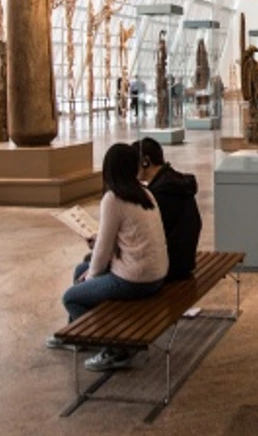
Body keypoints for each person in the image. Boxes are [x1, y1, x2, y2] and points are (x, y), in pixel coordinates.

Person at [50, 143, 168, 372]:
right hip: (156, 273)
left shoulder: (114, 199)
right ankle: (74, 334)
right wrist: (90, 268)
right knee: (79, 270)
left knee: (71, 298)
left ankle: (115, 348)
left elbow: (102, 253)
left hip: (135, 280)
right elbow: (124, 239)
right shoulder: (145, 193)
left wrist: (91, 277)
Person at [135, 137, 202, 281]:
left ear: (145, 161)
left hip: (169, 267)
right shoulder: (174, 182)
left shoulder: (161, 192)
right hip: (184, 261)